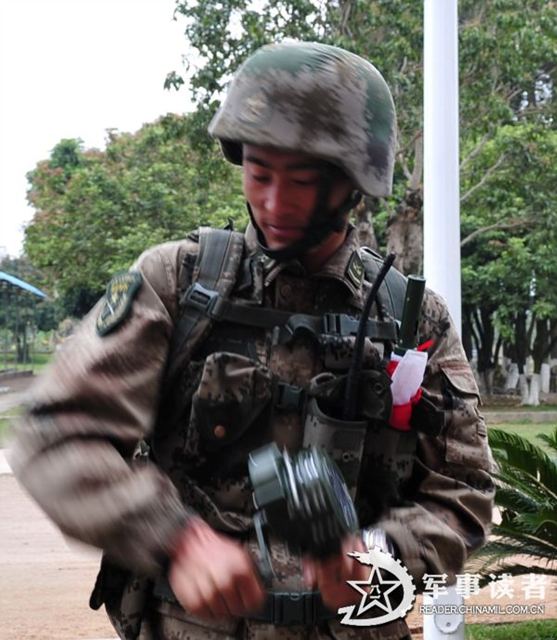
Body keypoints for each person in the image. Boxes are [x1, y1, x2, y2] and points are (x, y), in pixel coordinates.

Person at [9, 42, 494, 640]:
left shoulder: (411, 317)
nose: (273, 202)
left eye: (302, 182)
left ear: (353, 184)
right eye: (259, 173)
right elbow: (56, 434)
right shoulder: (177, 283)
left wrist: (381, 558)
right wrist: (177, 539)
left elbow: (465, 490)